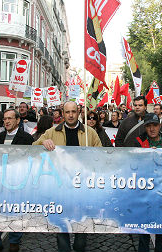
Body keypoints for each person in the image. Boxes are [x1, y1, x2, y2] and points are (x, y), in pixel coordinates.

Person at [33, 101, 101, 252]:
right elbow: (33, 149)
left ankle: (79, 245)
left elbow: (101, 155)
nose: (70, 115)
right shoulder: (52, 132)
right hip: (60, 187)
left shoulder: (90, 133)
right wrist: (44, 142)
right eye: (67, 112)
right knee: (61, 222)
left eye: (73, 112)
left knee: (81, 226)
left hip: (82, 186)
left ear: (78, 113)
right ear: (63, 114)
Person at [0, 109, 34, 252]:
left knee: (16, 211)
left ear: (17, 120)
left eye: (10, 118)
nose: (6, 121)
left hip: (18, 181)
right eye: (5, 119)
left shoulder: (26, 138)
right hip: (0, 181)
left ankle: (14, 240)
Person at [133, 113, 162, 252]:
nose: (152, 129)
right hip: (144, 192)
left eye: (155, 125)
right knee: (144, 231)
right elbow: (132, 162)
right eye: (149, 126)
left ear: (159, 126)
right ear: (145, 128)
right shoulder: (138, 142)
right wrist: (145, 155)